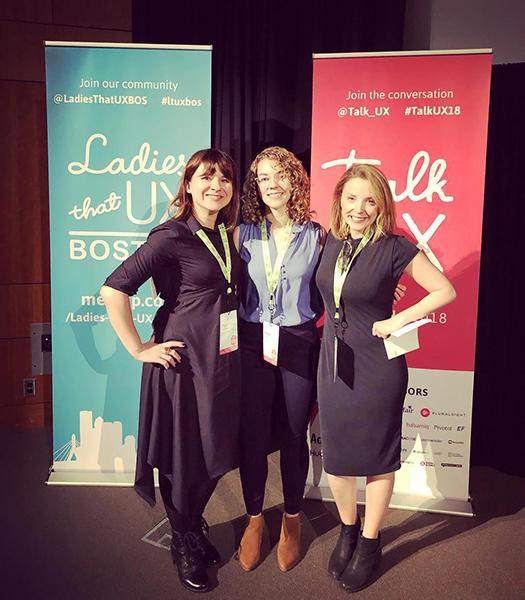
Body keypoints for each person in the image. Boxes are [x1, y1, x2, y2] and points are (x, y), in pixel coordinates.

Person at [100, 149, 241, 593]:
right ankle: (182, 539)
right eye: (206, 177)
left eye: (224, 179)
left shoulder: (224, 234)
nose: (216, 185)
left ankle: (192, 523)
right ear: (189, 183)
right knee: (183, 454)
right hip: (182, 361)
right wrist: (139, 348)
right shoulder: (171, 235)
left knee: (214, 451)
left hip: (219, 360)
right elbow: (113, 288)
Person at [315, 164, 456, 592]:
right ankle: (348, 529)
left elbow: (444, 290)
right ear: (340, 199)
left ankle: (371, 542)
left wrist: (397, 320)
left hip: (377, 366)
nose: (359, 208)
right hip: (333, 362)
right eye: (352, 198)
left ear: (381, 206)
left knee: (377, 455)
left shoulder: (395, 248)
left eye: (370, 200)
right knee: (336, 457)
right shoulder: (331, 240)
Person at [233, 146, 324, 572]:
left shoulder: (318, 234)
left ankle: (290, 520)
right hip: (252, 342)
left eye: (278, 175)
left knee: (292, 432)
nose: (270, 183)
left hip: (298, 340)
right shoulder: (243, 233)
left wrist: (387, 288)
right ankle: (254, 519)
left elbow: (346, 279)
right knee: (252, 433)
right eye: (262, 177)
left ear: (295, 180)